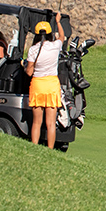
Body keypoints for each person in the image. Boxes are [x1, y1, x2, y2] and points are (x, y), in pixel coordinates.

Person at [25, 14, 65, 148]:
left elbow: (29, 72)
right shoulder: (55, 46)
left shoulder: (33, 50)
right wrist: (58, 22)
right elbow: (62, 37)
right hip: (52, 85)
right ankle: (50, 149)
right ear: (49, 34)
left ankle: (34, 146)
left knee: (37, 122)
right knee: (51, 123)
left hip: (38, 85)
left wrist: (24, 66)